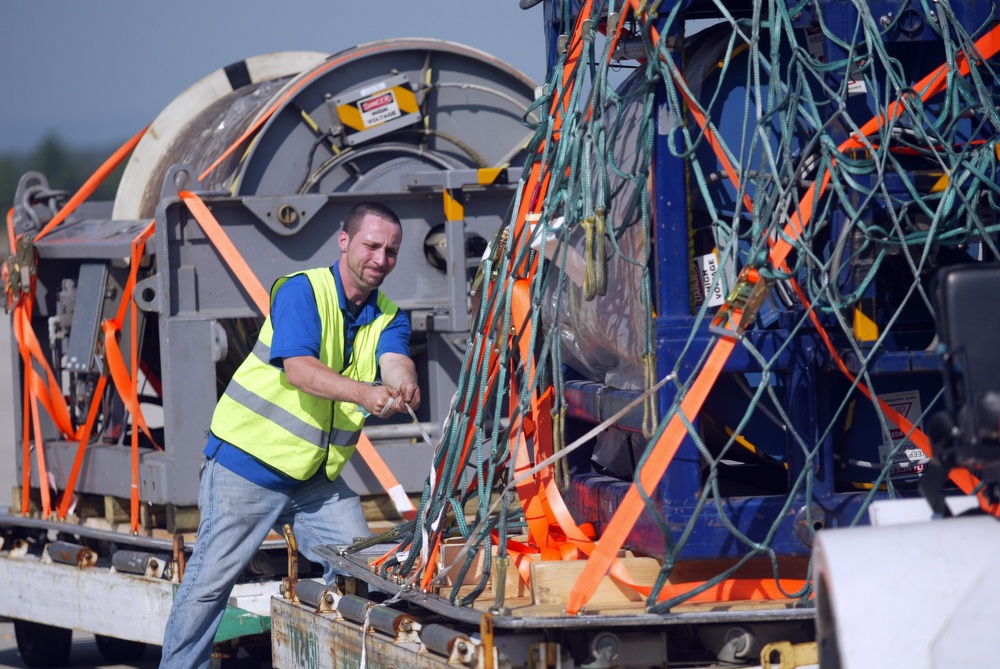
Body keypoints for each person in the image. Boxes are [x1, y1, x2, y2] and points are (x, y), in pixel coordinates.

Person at [159, 202, 420, 668]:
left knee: (363, 572)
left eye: (392, 251)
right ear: (345, 241)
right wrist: (364, 393)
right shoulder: (303, 292)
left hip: (313, 482)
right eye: (372, 245)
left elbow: (394, 358)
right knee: (208, 587)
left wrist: (403, 382)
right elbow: (301, 371)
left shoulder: (389, 316)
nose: (381, 259)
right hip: (248, 466)